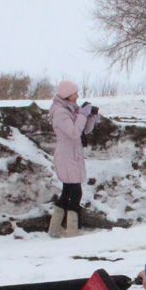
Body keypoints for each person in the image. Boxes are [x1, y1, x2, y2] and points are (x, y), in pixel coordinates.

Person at [49, 80, 100, 237]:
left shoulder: (71, 110)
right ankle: (72, 229)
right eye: (75, 93)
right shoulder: (60, 112)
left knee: (68, 191)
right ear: (67, 94)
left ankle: (55, 228)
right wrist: (82, 115)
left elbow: (84, 130)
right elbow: (73, 133)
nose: (77, 95)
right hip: (66, 156)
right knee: (75, 191)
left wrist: (91, 116)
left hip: (73, 154)